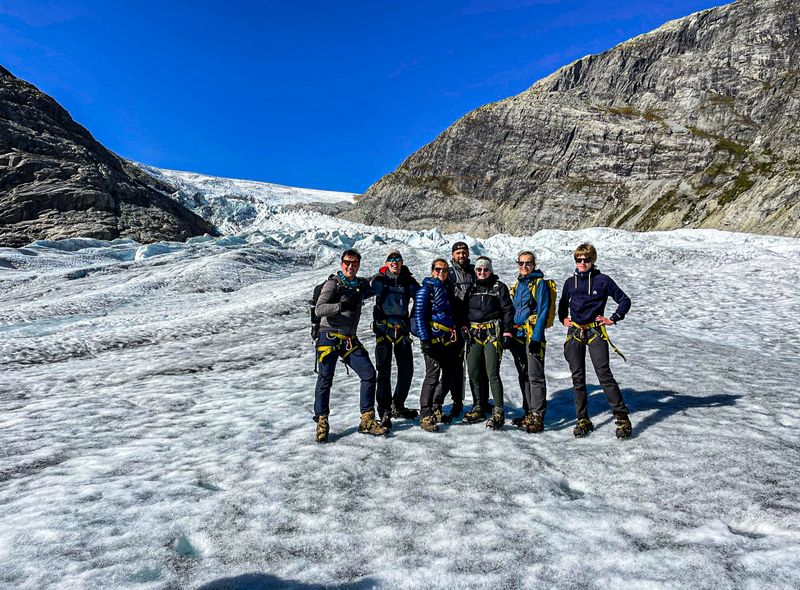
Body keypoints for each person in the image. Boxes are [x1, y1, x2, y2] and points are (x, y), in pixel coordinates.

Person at [312, 249, 389, 443]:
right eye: (347, 263)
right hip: (329, 337)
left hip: (348, 339)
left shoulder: (359, 285)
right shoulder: (333, 284)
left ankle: (367, 419)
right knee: (325, 379)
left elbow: (372, 282)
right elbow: (320, 309)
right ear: (341, 264)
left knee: (369, 374)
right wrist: (342, 305)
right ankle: (322, 421)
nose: (350, 266)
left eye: (354, 264)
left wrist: (384, 271)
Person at [558, 243, 633, 439]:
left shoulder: (602, 281)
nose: (582, 263)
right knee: (577, 377)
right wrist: (562, 319)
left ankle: (622, 418)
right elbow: (562, 306)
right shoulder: (569, 282)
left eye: (586, 260)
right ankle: (582, 419)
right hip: (575, 332)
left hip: (594, 332)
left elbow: (624, 300)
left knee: (604, 374)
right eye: (578, 259)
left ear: (593, 260)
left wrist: (613, 318)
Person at [462, 256, 515, 429]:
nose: (482, 272)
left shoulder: (499, 288)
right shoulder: (471, 289)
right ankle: (479, 405)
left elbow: (507, 310)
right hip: (474, 334)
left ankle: (498, 409)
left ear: (490, 270)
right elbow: (463, 311)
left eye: (485, 269)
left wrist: (507, 331)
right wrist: (463, 327)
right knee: (474, 371)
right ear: (475, 271)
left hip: (493, 333)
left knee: (492, 371)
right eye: (479, 270)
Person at [412, 258, 463, 432]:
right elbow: (419, 315)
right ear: (432, 270)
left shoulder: (448, 289)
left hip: (448, 340)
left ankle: (436, 404)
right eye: (438, 269)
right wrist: (425, 340)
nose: (441, 272)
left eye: (445, 270)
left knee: (451, 373)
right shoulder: (425, 290)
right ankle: (425, 413)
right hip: (433, 340)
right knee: (432, 376)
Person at [371, 248, 420, 420]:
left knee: (406, 370)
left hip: (402, 330)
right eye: (391, 259)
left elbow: (421, 297)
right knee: (384, 371)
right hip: (384, 330)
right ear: (386, 263)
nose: (394, 261)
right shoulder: (380, 280)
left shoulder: (408, 281)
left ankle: (398, 404)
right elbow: (367, 291)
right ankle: (384, 410)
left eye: (397, 258)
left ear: (401, 262)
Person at [507, 250, 551, 433]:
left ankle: (537, 415)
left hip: (532, 335)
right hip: (518, 336)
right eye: (521, 263)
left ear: (534, 265)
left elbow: (543, 311)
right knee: (523, 374)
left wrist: (536, 338)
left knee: (535, 375)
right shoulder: (519, 284)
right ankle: (528, 412)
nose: (524, 266)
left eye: (528, 263)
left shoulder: (539, 284)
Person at [447, 241, 480, 416]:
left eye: (464, 252)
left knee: (477, 365)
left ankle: (479, 402)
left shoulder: (475, 271)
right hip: (456, 325)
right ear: (453, 255)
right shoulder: (449, 274)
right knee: (457, 366)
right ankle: (457, 402)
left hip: (475, 323)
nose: (462, 255)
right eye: (458, 253)